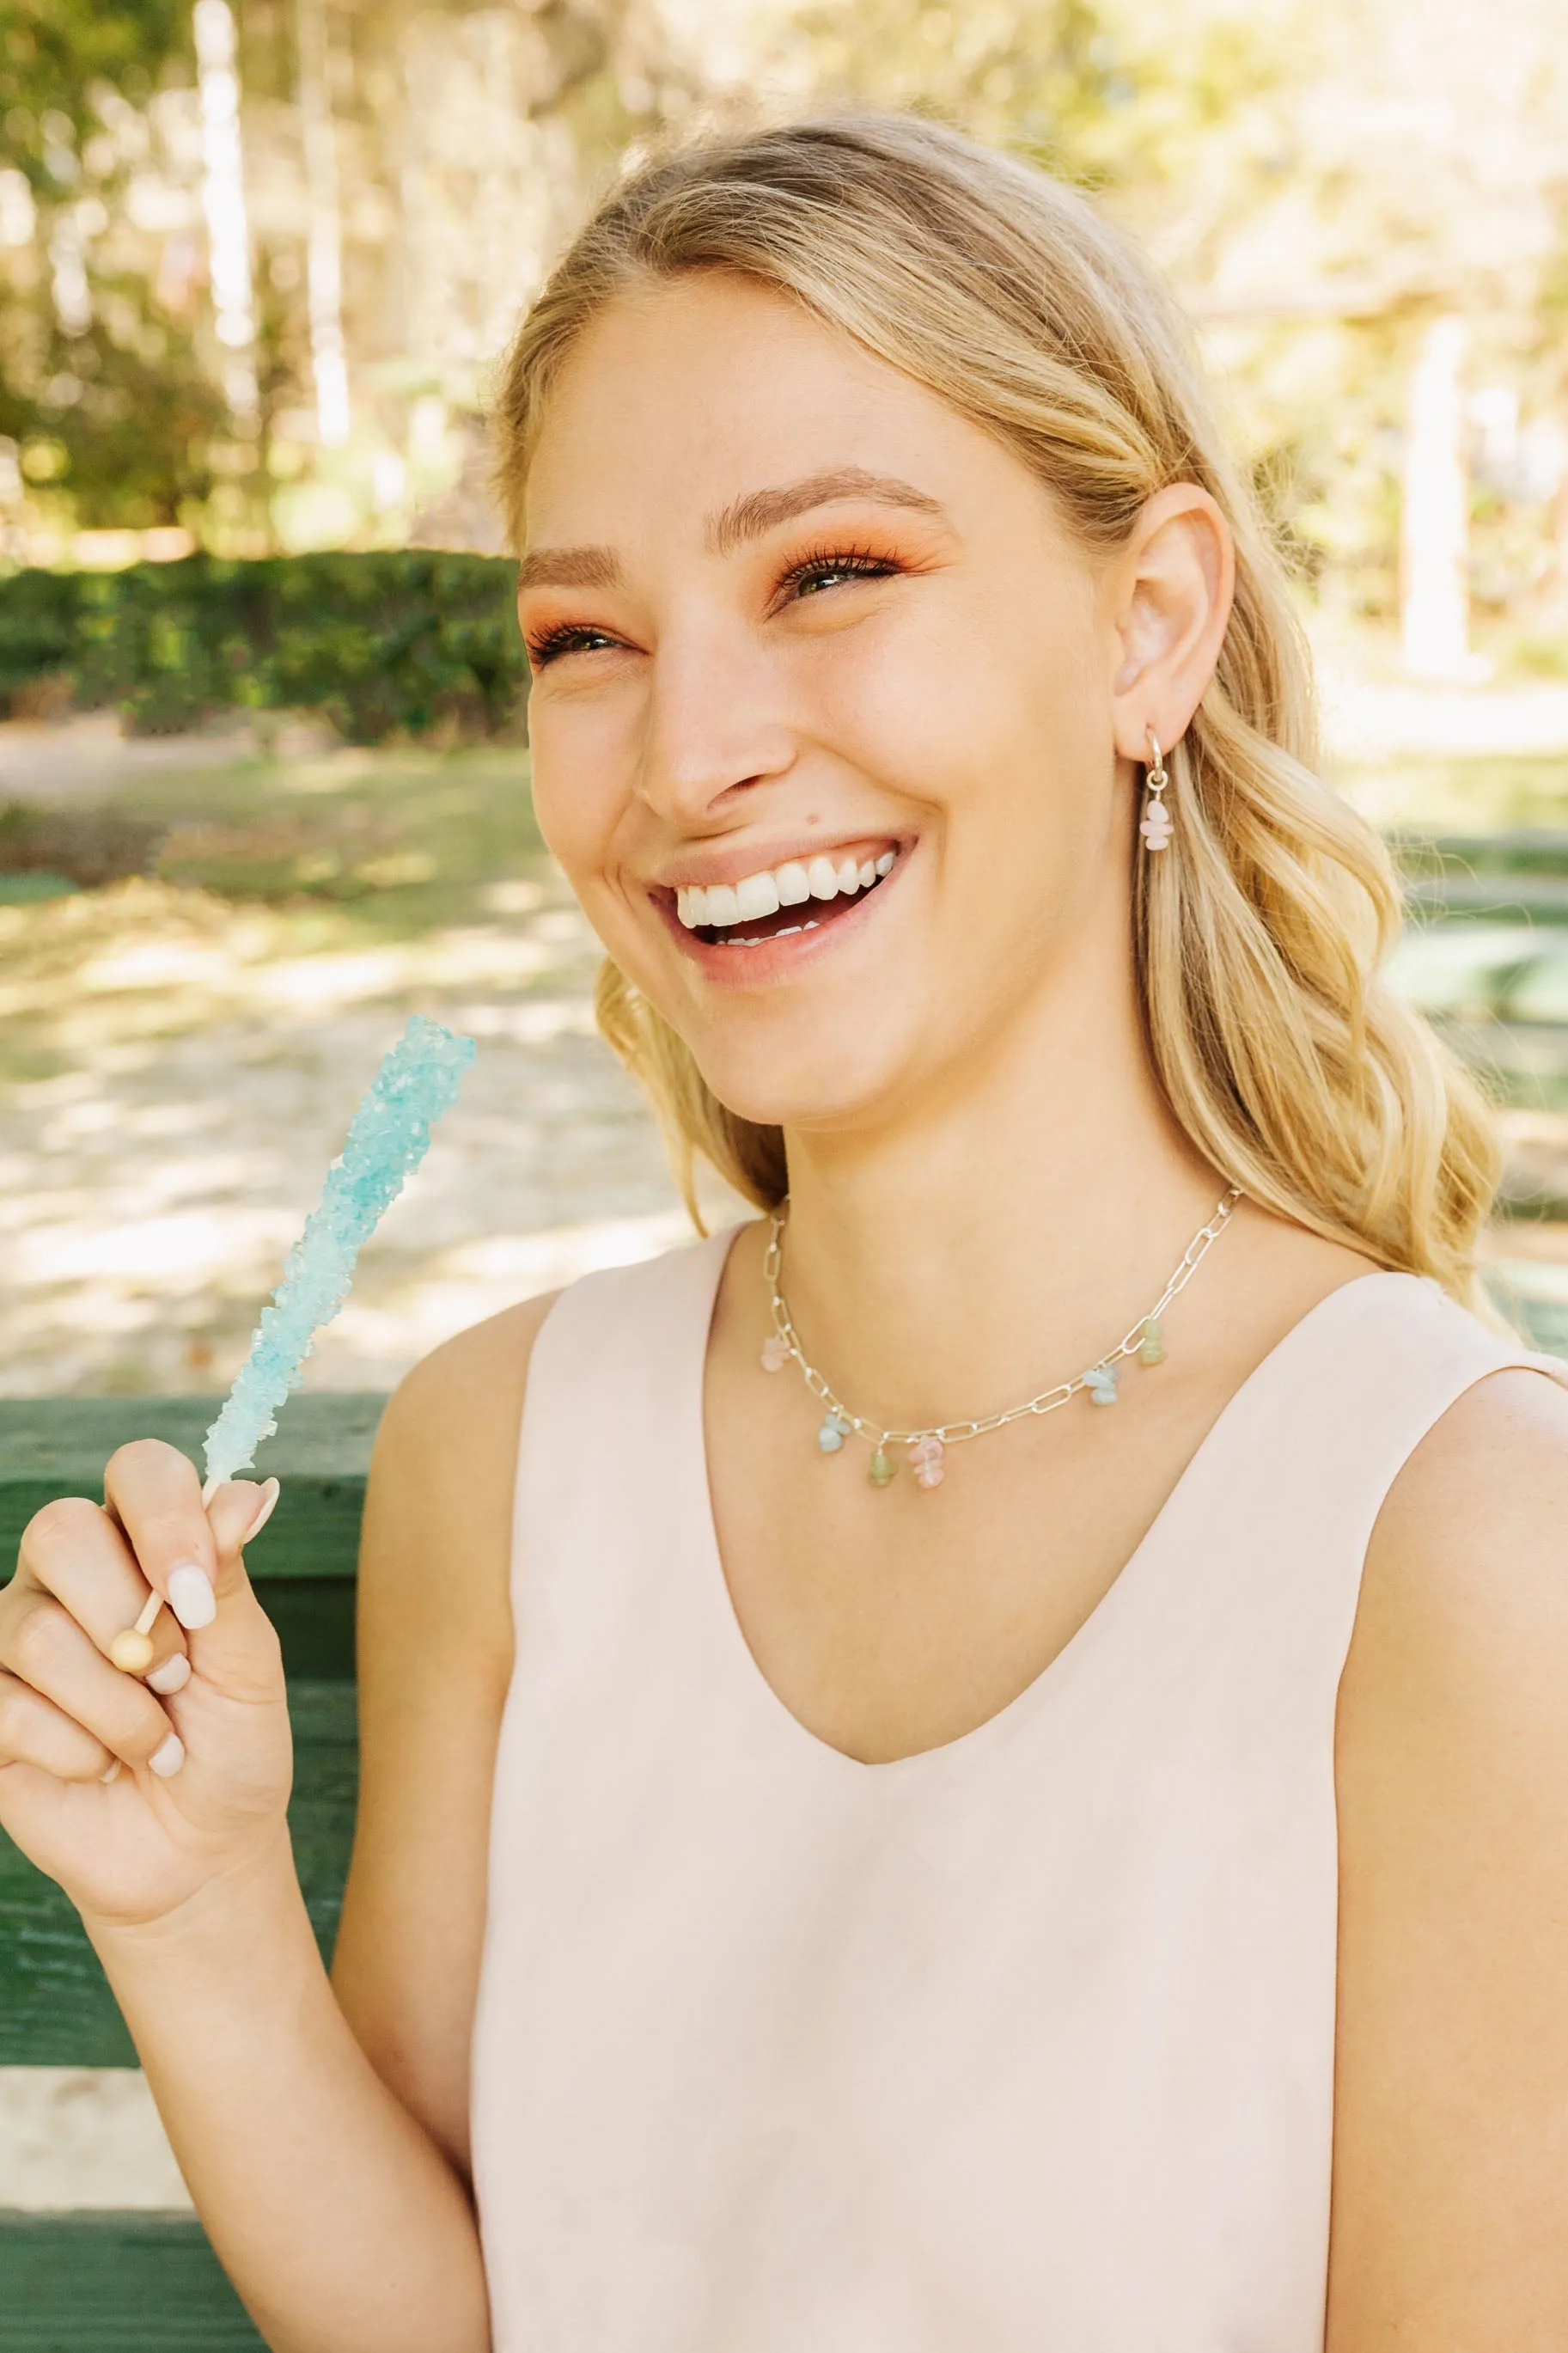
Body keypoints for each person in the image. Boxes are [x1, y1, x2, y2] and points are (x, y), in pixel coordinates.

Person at [3, 111, 1568, 2353]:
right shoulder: (505, 1454)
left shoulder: (1468, 1554)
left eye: (830, 573)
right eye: (584, 635)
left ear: (1150, 626)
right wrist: (193, 1911)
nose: (688, 751)